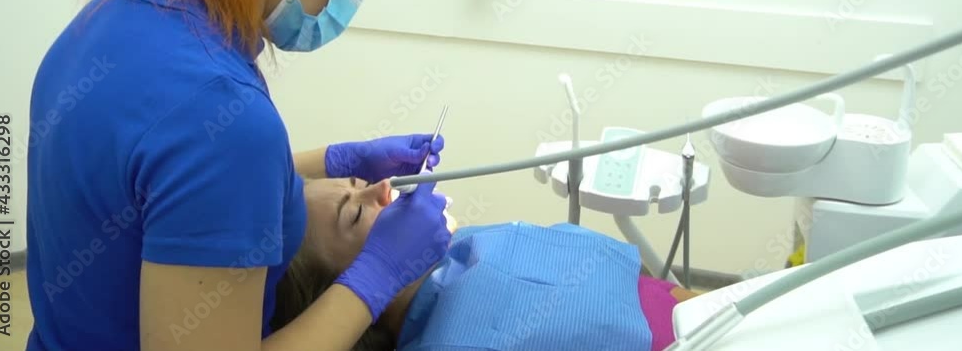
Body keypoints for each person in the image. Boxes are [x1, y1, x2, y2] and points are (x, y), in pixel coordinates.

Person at [24, 0, 452, 350]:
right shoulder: (218, 107)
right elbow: (207, 158)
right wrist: (375, 277)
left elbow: (161, 187)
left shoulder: (107, 21)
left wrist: (331, 160)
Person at [273, 177, 702, 351]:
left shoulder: (462, 246)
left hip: (683, 305)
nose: (383, 188)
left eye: (361, 184)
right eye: (355, 212)